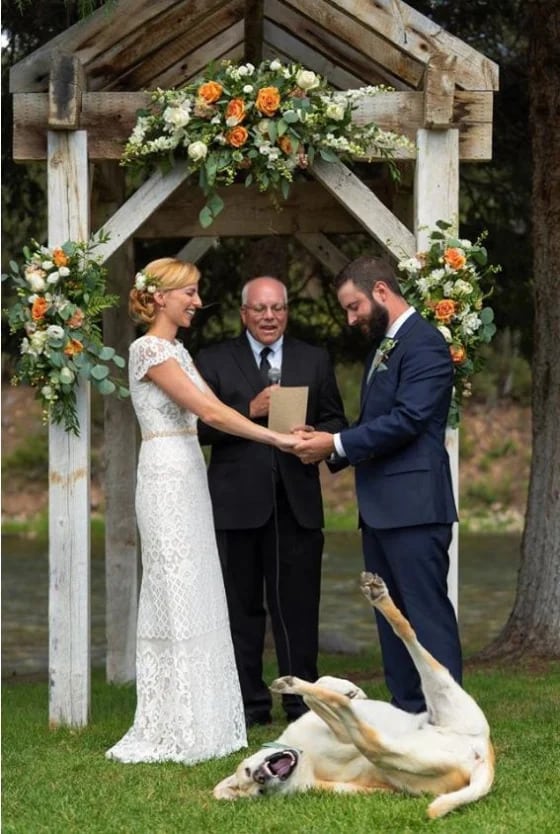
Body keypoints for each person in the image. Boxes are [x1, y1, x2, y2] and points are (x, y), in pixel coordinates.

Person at [105, 259, 297, 765]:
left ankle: (207, 717)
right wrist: (276, 436)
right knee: (175, 586)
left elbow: (219, 407)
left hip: (191, 471)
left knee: (201, 586)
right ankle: (175, 720)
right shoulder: (147, 349)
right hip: (166, 472)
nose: (196, 301)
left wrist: (273, 419)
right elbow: (211, 413)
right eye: (189, 293)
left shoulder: (178, 350)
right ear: (162, 297)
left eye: (196, 292)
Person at [293, 256, 462, 714]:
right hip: (383, 509)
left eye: (354, 307)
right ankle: (409, 711)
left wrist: (337, 442)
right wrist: (327, 443)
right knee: (391, 618)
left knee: (425, 616)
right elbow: (375, 423)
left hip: (415, 507)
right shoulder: (385, 346)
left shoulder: (424, 343)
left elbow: (407, 420)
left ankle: (448, 719)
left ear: (382, 291)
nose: (350, 319)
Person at [195, 276, 347, 727]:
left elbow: (336, 419)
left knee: (297, 610)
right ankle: (248, 706)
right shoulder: (214, 360)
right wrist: (249, 412)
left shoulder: (314, 359)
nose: (269, 317)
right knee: (241, 612)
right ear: (244, 313)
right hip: (236, 507)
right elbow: (199, 431)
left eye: (277, 308)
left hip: (296, 504)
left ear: (287, 312)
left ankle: (303, 706)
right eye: (260, 309)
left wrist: (314, 435)